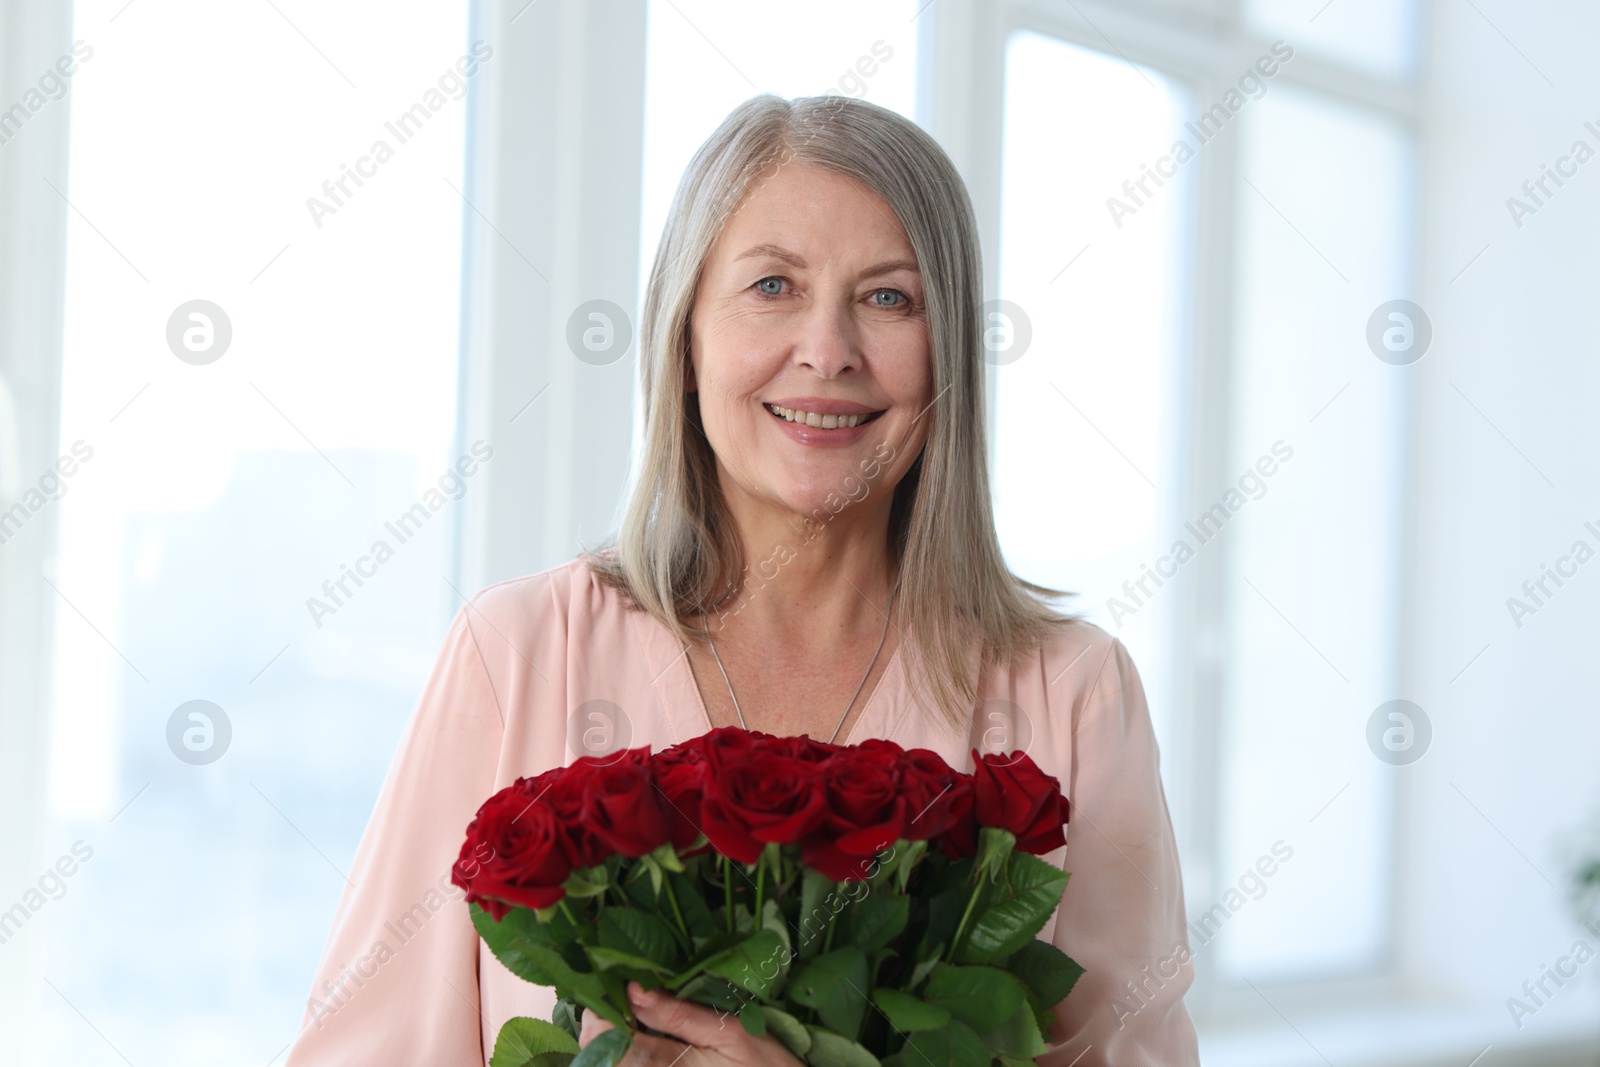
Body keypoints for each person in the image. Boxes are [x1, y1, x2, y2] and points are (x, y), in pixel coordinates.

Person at [285, 92, 1200, 1066]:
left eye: (888, 296)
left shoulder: (1073, 692)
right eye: (772, 286)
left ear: (950, 360)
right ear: (682, 337)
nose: (826, 350)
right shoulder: (516, 654)